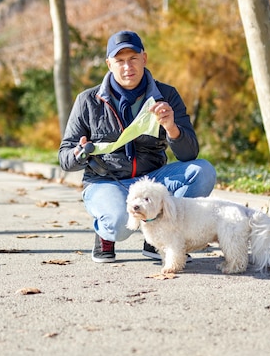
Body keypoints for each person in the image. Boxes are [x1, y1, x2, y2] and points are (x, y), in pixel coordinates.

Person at [58, 30, 217, 263]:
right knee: (120, 223)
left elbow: (189, 153)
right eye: (119, 61)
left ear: (144, 58)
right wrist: (79, 153)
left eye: (132, 58)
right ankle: (105, 234)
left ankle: (158, 237)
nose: (127, 67)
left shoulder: (167, 95)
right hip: (107, 181)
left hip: (151, 181)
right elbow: (64, 158)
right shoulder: (87, 100)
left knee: (203, 173)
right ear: (109, 64)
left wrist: (172, 127)